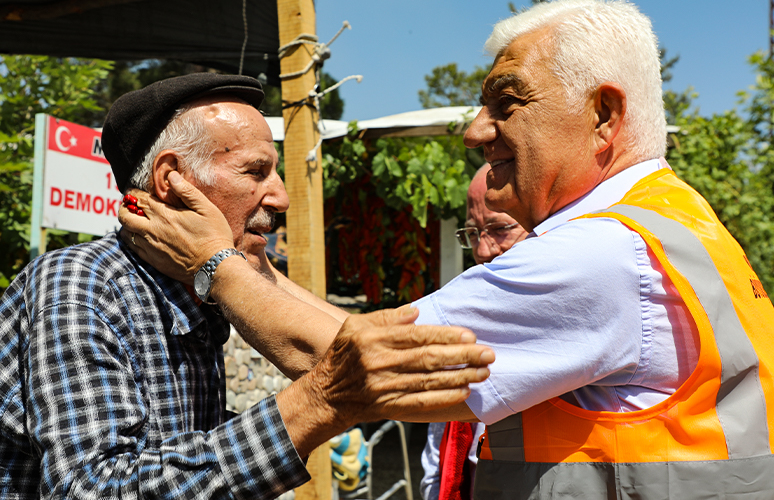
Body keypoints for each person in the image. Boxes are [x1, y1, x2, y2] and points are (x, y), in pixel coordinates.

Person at [120, 0, 774, 499]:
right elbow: (364, 341)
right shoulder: (668, 225)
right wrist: (257, 267)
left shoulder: (604, 253)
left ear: (604, 115)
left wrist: (215, 264)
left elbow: (352, 365)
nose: (475, 129)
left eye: (506, 101)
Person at [0, 73, 495, 500]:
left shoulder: (191, 286)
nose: (279, 196)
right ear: (172, 179)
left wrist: (229, 267)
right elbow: (94, 489)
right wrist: (316, 403)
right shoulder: (81, 285)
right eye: (256, 171)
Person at [420, 163, 527, 500]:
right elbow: (439, 457)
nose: (482, 250)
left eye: (498, 228)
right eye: (472, 232)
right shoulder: (464, 321)